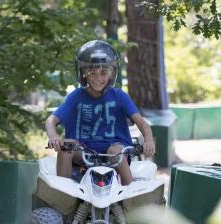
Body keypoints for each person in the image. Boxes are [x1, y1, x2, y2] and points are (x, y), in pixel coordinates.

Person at [45, 40, 155, 185]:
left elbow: (141, 123)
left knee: (114, 150)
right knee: (66, 146)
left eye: (103, 73)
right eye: (92, 73)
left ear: (112, 73)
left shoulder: (119, 96)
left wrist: (148, 140)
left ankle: (129, 193)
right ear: (83, 73)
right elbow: (51, 120)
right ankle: (64, 194)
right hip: (83, 152)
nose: (98, 78)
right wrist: (53, 136)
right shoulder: (76, 96)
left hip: (115, 151)